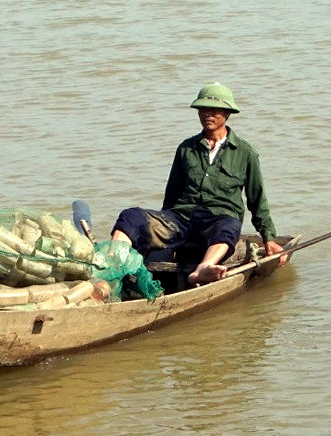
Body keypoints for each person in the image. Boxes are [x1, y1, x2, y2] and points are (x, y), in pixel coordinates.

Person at [111, 83, 287, 285]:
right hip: (181, 218)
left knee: (230, 225)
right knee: (130, 216)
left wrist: (269, 238)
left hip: (217, 221)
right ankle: (114, 260)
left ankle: (204, 267)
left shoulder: (245, 153)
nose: (207, 114)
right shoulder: (186, 148)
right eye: (202, 109)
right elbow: (172, 195)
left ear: (227, 113)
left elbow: (258, 202)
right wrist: (161, 239)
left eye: (213, 110)